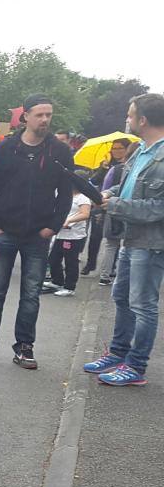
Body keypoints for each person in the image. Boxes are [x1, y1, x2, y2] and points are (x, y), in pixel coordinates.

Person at [0, 95, 74, 369]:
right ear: (25, 117)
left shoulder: (59, 152)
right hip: (6, 231)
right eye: (40, 115)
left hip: (38, 234)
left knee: (31, 294)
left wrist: (53, 225)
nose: (46, 120)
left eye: (49, 115)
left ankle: (25, 346)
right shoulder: (7, 148)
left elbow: (65, 193)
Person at [83, 93, 164, 386]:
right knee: (121, 297)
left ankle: (136, 365)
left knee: (143, 304)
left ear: (143, 120)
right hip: (130, 237)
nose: (127, 120)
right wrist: (110, 194)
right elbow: (128, 186)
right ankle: (118, 353)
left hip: (151, 243)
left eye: (130, 115)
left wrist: (115, 206)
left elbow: (159, 207)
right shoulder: (142, 150)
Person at [84, 139, 131, 274]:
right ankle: (90, 263)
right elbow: (94, 181)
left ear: (126, 149)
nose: (116, 151)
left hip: (117, 204)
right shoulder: (106, 164)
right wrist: (103, 168)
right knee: (95, 236)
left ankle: (110, 269)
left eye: (119, 148)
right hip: (101, 203)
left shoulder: (130, 165)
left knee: (113, 237)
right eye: (113, 148)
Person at [98, 140, 136, 284]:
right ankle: (122, 276)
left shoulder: (116, 169)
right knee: (128, 246)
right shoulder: (137, 171)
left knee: (111, 245)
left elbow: (106, 188)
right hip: (130, 211)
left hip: (113, 209)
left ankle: (105, 275)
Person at [45, 191, 92, 296]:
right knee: (53, 259)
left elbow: (85, 214)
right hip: (60, 233)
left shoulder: (82, 198)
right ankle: (57, 281)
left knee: (70, 262)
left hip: (73, 236)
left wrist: (69, 221)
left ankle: (69, 287)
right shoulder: (64, 195)